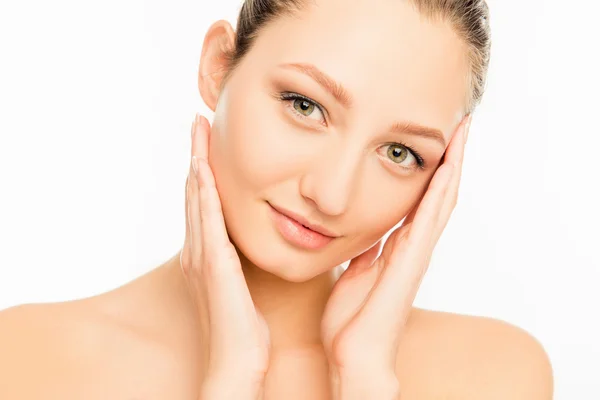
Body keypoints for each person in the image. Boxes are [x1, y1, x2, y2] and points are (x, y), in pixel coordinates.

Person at [0, 0, 554, 398]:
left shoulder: (497, 376)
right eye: (305, 105)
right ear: (220, 65)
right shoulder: (25, 360)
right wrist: (231, 379)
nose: (332, 195)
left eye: (400, 152)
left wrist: (364, 381)